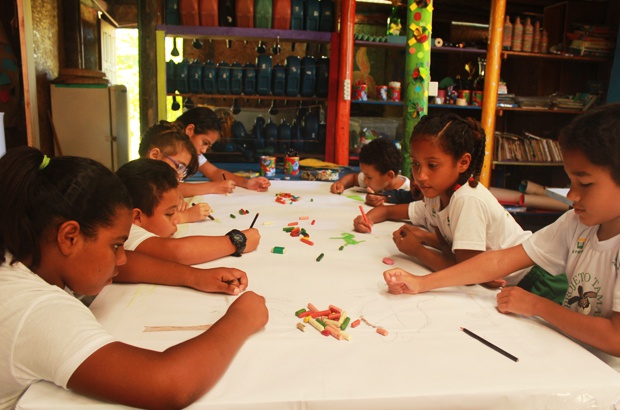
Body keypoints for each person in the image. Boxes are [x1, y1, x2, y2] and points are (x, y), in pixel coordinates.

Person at [0, 147, 268, 409]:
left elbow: (127, 266)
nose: (122, 259)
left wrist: (196, 277)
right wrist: (241, 319)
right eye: (116, 246)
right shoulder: (34, 310)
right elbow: (169, 384)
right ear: (69, 237)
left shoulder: (22, 255)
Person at [384, 103, 620, 365]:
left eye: (585, 184)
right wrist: (421, 283)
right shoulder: (577, 222)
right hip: (578, 358)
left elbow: (615, 338)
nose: (572, 196)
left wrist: (537, 305)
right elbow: (498, 261)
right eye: (571, 183)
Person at [356, 113, 566, 298]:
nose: (421, 175)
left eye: (433, 165)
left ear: (463, 163)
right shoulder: (436, 193)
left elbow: (465, 273)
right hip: (508, 285)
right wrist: (368, 219)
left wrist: (417, 250)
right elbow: (389, 210)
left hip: (536, 281)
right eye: (416, 163)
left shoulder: (466, 200)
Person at [116, 158, 261, 265]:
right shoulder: (127, 230)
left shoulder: (130, 218)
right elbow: (178, 252)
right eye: (170, 214)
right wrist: (237, 241)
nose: (176, 220)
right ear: (137, 217)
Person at [176, 107, 271, 195]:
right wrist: (213, 187)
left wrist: (246, 183)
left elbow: (214, 172)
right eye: (204, 142)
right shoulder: (169, 149)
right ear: (190, 130)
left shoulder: (191, 151)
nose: (204, 150)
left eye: (209, 146)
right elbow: (166, 188)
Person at [138, 120, 213, 223]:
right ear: (155, 155)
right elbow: (149, 222)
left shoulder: (155, 182)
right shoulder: (139, 185)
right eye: (179, 166)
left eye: (183, 169)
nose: (180, 175)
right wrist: (185, 216)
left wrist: (177, 194)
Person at [330, 137, 414, 206]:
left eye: (369, 177)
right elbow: (353, 177)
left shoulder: (410, 192)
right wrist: (341, 183)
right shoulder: (376, 179)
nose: (365, 180)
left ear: (389, 176)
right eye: (364, 175)